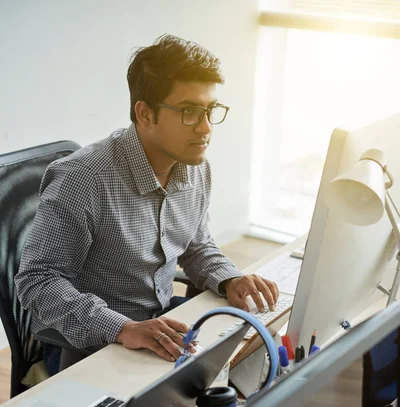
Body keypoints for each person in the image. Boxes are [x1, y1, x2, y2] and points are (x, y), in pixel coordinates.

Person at [15, 34, 278, 374]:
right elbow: (38, 280)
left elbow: (196, 245)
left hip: (162, 324)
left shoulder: (194, 167)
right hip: (90, 345)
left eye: (210, 111)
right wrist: (122, 328)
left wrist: (230, 280)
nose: (205, 128)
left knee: (252, 353)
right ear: (145, 114)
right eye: (189, 112)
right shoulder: (84, 180)